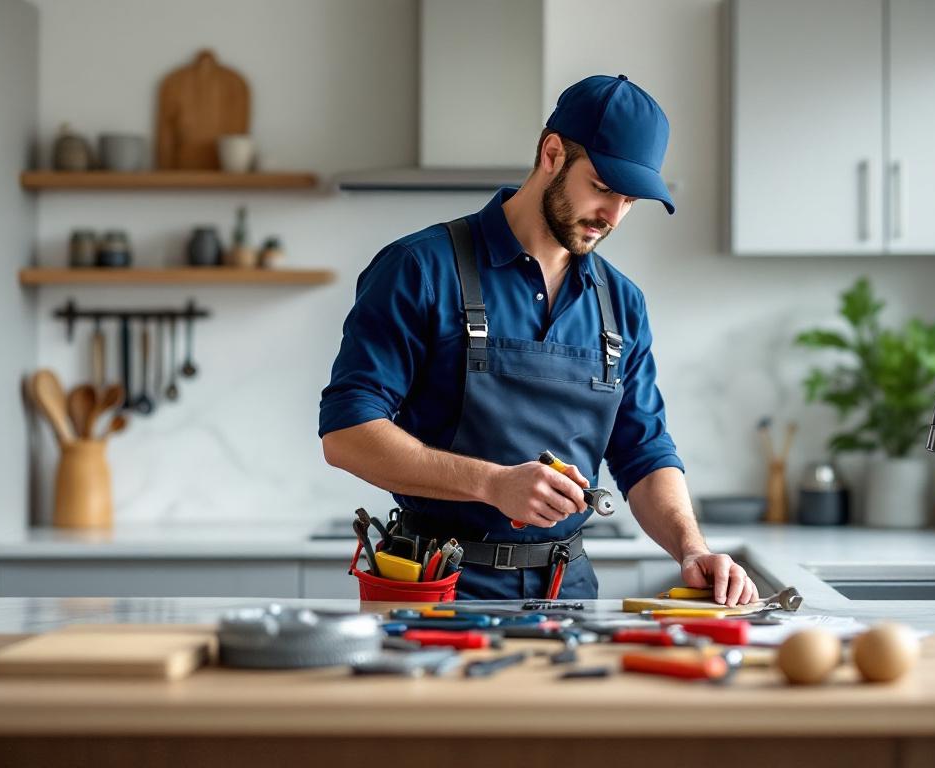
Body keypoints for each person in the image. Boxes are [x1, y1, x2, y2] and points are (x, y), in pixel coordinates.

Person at [319, 74, 758, 606]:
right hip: (433, 589)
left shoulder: (622, 303)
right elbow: (346, 433)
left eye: (630, 199)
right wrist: (492, 484)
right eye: (602, 188)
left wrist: (691, 548)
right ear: (552, 153)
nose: (613, 216)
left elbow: (643, 453)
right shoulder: (419, 268)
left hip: (565, 595)